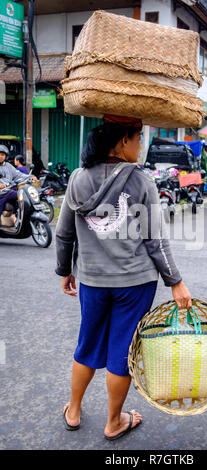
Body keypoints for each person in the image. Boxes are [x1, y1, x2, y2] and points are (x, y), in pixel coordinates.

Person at [55, 114, 192, 440]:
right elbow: (155, 241)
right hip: (135, 284)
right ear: (123, 141)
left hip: (92, 280)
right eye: (139, 138)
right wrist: (176, 281)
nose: (141, 145)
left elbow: (63, 235)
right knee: (121, 352)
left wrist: (65, 271)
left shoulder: (78, 179)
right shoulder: (142, 182)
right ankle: (113, 421)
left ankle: (73, 411)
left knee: (87, 345)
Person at [0, 145, 29, 222]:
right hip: (1, 194)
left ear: (5, 156)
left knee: (23, 197)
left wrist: (30, 177)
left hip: (8, 192)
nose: (0, 156)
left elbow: (18, 174)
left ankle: (19, 219)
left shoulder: (8, 166)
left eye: (2, 155)